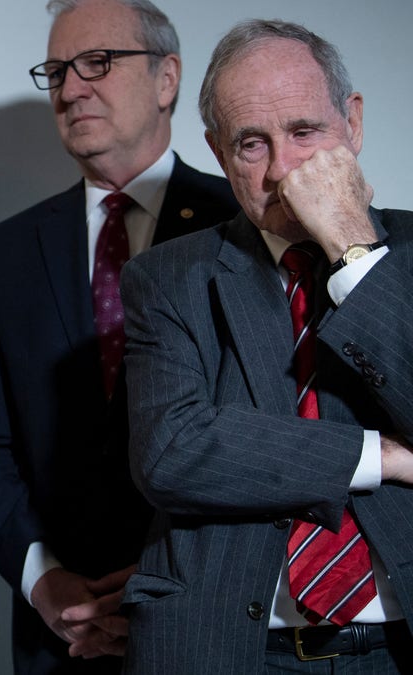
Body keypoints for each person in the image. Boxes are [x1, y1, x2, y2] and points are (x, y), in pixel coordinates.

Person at [0, 0, 236, 672]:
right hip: (63, 640)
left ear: (167, 79)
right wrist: (41, 577)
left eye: (97, 63)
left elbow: (272, 431)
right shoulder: (4, 254)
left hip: (217, 621)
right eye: (56, 71)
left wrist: (174, 574)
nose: (71, 88)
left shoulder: (241, 227)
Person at [120, 18, 413, 672]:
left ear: (353, 123)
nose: (283, 169)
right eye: (252, 143)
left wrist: (351, 248)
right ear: (219, 153)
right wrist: (382, 454)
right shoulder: (167, 277)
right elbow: (172, 449)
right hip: (227, 645)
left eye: (305, 132)